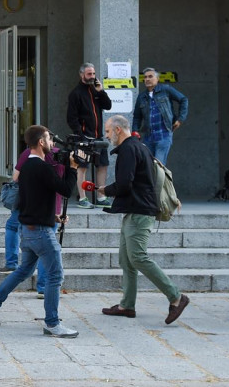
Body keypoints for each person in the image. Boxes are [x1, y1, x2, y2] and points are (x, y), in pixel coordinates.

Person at [0, 125, 79, 338]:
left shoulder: (26, 168)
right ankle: (52, 323)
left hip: (29, 229)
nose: (53, 144)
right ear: (41, 142)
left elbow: (32, 200)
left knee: (23, 271)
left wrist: (53, 216)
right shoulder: (42, 168)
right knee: (55, 275)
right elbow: (66, 190)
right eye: (49, 140)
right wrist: (72, 168)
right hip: (41, 232)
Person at [97, 115, 190, 324]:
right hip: (134, 210)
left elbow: (123, 185)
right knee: (126, 259)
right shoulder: (139, 147)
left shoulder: (129, 149)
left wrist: (104, 190)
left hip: (140, 212)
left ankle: (176, 296)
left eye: (109, 131)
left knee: (137, 257)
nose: (107, 135)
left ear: (119, 130)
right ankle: (127, 305)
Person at [3, 144, 62, 299]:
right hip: (52, 207)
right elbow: (64, 186)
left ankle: (10, 263)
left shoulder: (29, 154)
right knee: (46, 253)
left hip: (30, 209)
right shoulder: (59, 157)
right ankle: (42, 287)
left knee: (11, 227)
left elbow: (16, 177)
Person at [66, 62, 112, 208]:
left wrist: (101, 91)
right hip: (84, 138)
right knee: (82, 167)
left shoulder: (96, 90)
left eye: (93, 74)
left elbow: (108, 106)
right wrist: (80, 134)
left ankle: (101, 196)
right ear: (82, 75)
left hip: (98, 138)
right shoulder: (76, 93)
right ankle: (82, 198)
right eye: (89, 74)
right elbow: (71, 118)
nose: (92, 76)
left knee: (102, 165)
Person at [130, 68, 188, 165]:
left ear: (157, 79)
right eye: (145, 77)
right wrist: (135, 132)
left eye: (150, 76)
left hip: (164, 135)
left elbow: (183, 99)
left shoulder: (166, 89)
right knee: (148, 166)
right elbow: (137, 117)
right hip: (148, 137)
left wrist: (180, 119)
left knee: (158, 165)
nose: (147, 79)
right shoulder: (142, 97)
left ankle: (160, 181)